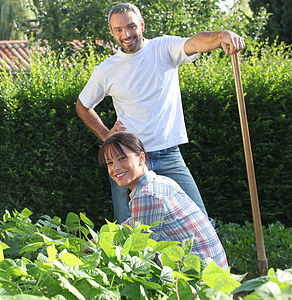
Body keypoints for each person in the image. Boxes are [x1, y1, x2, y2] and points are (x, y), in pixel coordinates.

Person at [76, 2, 246, 224]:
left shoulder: (163, 48)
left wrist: (222, 35)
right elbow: (82, 105)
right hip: (128, 158)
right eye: (118, 29)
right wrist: (106, 135)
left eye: (131, 26)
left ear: (142, 25)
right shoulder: (106, 70)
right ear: (112, 32)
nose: (125, 34)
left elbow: (195, 42)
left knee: (200, 220)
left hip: (169, 155)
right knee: (126, 229)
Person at [99, 132, 228, 269]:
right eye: (110, 163)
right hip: (217, 273)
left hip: (200, 282)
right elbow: (132, 225)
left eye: (122, 158)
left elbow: (141, 253)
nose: (115, 168)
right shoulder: (161, 181)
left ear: (141, 158)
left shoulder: (147, 195)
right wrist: (98, 240)